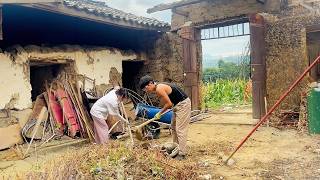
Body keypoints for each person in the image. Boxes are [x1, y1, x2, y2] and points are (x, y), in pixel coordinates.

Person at [139, 75, 191, 160]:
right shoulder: (158, 87)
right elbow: (168, 102)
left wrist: (159, 113)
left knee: (180, 129)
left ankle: (182, 153)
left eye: (145, 89)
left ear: (150, 84)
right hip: (177, 104)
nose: (146, 91)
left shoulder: (159, 88)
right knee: (173, 127)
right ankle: (176, 147)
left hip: (183, 104)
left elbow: (168, 104)